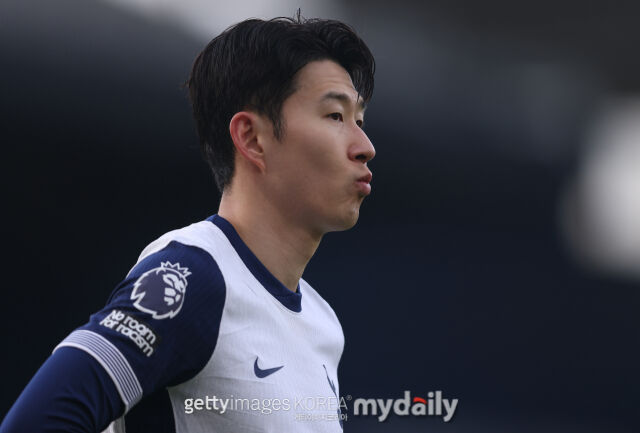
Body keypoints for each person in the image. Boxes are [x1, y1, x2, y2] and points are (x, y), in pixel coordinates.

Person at [0, 12, 375, 433]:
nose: (365, 146)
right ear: (252, 138)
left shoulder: (323, 324)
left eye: (360, 120)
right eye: (335, 116)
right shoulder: (194, 278)